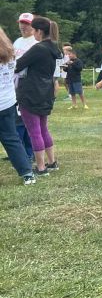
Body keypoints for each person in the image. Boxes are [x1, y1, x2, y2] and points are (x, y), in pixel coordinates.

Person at [14, 16, 62, 176]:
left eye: (33, 30)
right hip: (45, 91)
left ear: (39, 31)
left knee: (34, 131)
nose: (32, 34)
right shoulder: (53, 48)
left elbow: (17, 65)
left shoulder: (38, 48)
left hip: (31, 93)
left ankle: (41, 167)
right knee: (43, 128)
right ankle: (52, 162)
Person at [0, 26, 36, 185]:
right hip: (7, 102)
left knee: (11, 138)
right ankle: (27, 172)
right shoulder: (10, 55)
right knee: (11, 138)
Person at [12, 13, 36, 160]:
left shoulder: (35, 42)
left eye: (26, 23)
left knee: (24, 118)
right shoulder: (17, 41)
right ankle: (20, 150)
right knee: (18, 117)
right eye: (21, 23)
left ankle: (27, 151)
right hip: (14, 83)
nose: (23, 26)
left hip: (28, 83)